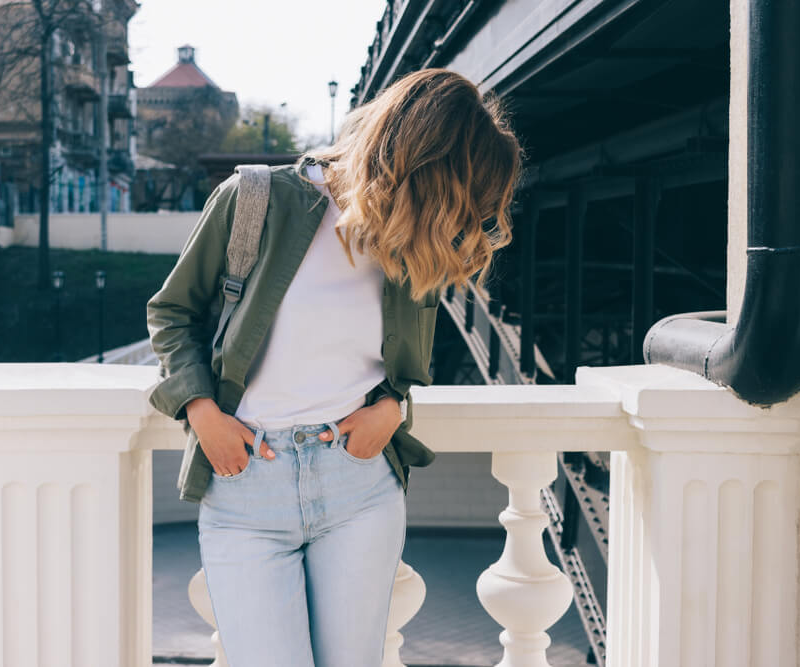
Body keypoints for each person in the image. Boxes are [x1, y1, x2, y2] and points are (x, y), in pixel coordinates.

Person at [146, 68, 522, 667]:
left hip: (359, 488)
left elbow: (399, 366)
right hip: (248, 487)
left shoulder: (410, 238)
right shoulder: (254, 199)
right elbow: (171, 312)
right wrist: (201, 411)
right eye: (455, 195)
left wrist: (393, 409)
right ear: (422, 165)